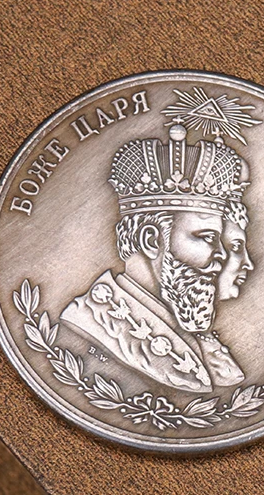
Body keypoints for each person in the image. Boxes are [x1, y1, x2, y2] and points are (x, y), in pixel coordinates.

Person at [58, 124, 251, 394]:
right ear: (151, 241)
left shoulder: (188, 323)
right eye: (207, 237)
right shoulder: (89, 320)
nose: (221, 255)